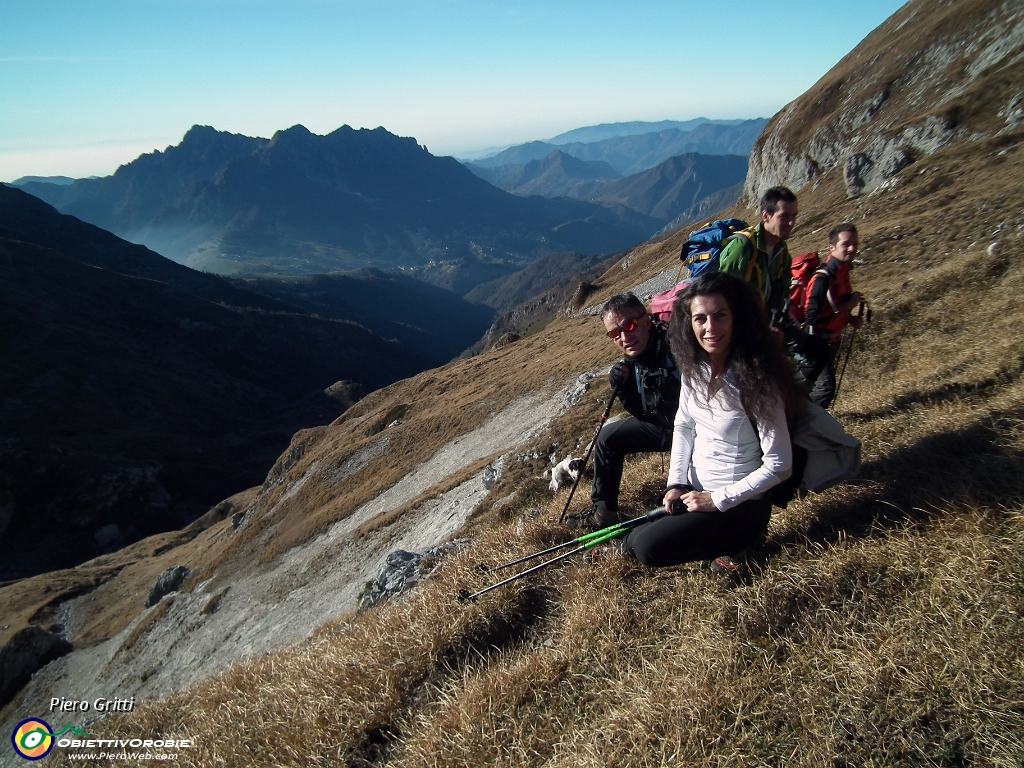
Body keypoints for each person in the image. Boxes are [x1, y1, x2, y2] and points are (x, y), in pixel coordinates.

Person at [620, 272, 806, 568]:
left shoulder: (758, 381)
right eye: (700, 319)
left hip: (739, 506)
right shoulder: (696, 368)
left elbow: (780, 465)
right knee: (634, 536)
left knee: (645, 547)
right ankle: (632, 544)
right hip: (694, 493)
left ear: (737, 318)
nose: (709, 328)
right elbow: (684, 425)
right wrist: (676, 483)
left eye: (720, 316)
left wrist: (716, 499)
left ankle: (740, 543)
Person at [566, 293, 680, 530]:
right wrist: (624, 389)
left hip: (699, 432)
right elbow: (643, 413)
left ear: (647, 321)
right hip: (666, 427)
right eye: (614, 333)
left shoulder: (677, 348)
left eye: (629, 325)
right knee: (607, 438)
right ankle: (603, 512)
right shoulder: (634, 361)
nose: (624, 337)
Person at [718, 185, 829, 387]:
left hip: (771, 324)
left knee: (817, 352)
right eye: (785, 216)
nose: (791, 222)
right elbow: (723, 298)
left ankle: (792, 403)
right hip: (745, 331)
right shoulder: (743, 247)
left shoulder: (781, 250)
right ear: (765, 216)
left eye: (794, 215)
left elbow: (782, 290)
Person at [801, 223, 865, 408]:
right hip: (820, 342)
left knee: (816, 387)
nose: (852, 248)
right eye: (846, 244)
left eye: (855, 244)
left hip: (831, 340)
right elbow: (811, 314)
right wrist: (850, 304)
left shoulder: (841, 272)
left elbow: (832, 307)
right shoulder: (823, 278)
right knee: (825, 388)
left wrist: (850, 319)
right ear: (832, 247)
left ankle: (805, 424)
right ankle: (805, 427)